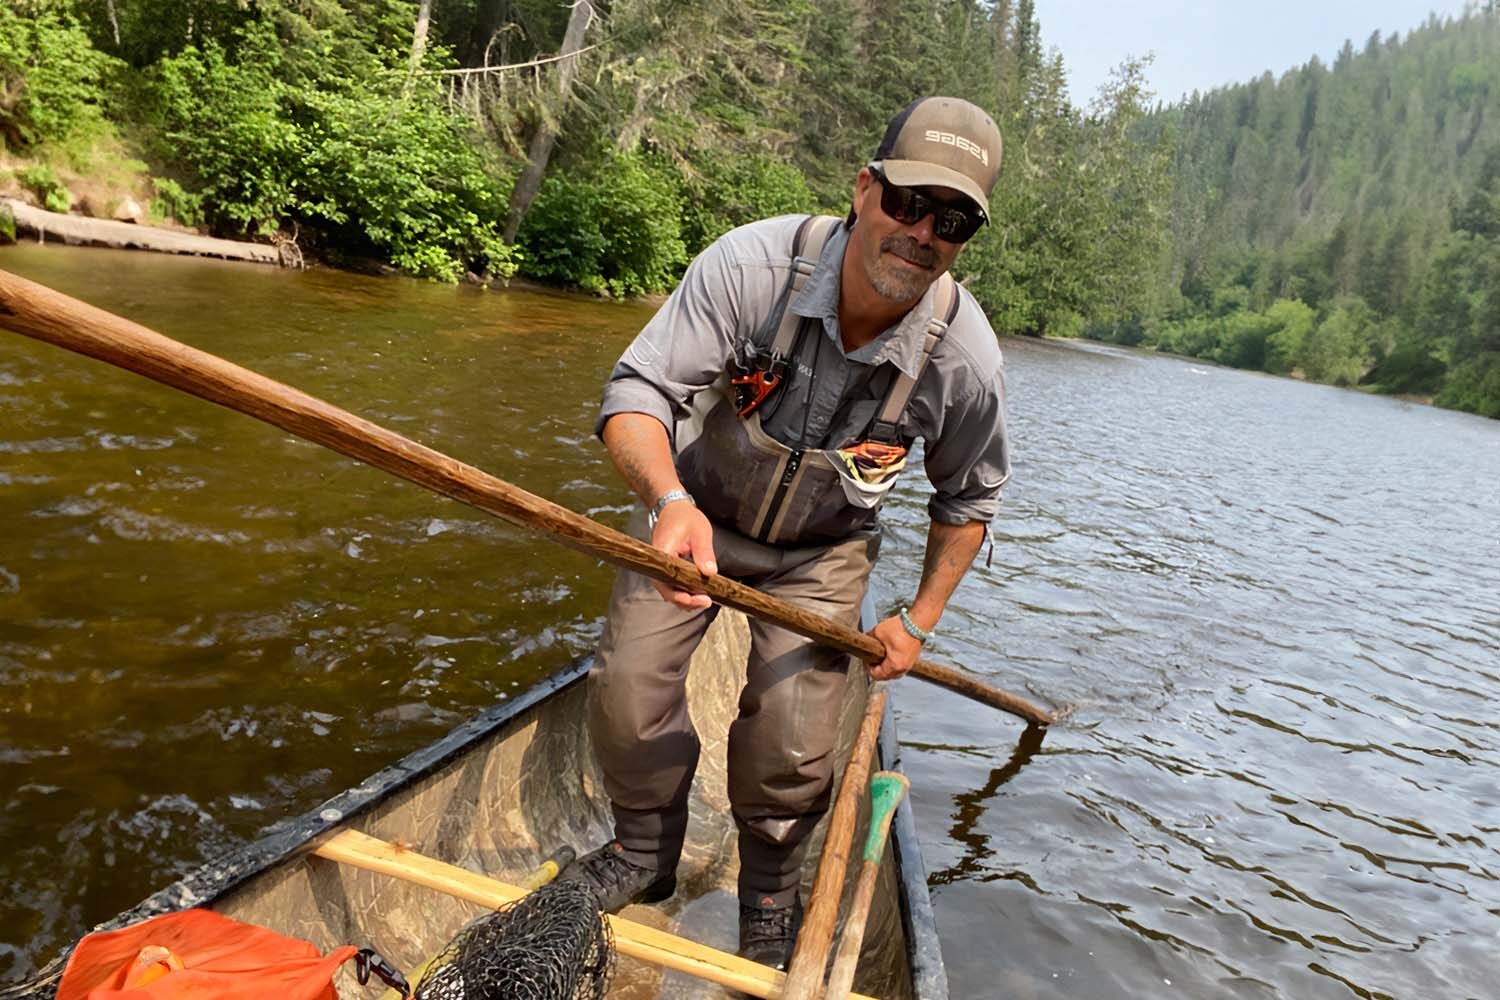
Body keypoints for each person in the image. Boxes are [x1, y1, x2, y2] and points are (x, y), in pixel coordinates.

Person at [559, 96, 1011, 970]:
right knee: (626, 692)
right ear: (865, 187)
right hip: (693, 516)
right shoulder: (755, 266)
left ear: (963, 239)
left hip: (823, 555)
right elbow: (636, 396)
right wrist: (666, 502)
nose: (921, 232)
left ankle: (770, 892)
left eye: (950, 221)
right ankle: (644, 853)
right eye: (909, 201)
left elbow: (969, 500)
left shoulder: (966, 359)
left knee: (794, 750)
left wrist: (917, 622)